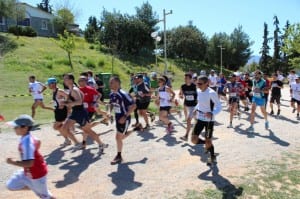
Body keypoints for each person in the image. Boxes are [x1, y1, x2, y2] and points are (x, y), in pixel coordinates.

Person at [6, 114, 55, 199]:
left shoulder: (27, 143)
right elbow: (38, 141)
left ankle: (40, 190)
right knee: (11, 185)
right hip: (28, 172)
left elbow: (29, 163)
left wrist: (12, 162)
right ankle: (35, 187)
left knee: (45, 197)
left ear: (25, 128)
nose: (14, 129)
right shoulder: (26, 136)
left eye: (16, 127)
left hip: (37, 173)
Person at [60, 73, 108, 154]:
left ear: (71, 80)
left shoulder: (74, 89)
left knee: (87, 130)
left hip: (80, 112)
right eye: (64, 79)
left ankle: (100, 144)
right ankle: (78, 143)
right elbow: (79, 97)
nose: (64, 80)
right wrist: (65, 102)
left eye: (66, 79)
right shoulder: (73, 89)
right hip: (76, 112)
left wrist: (68, 104)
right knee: (64, 128)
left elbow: (79, 102)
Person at [191, 76, 222, 165]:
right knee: (193, 140)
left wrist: (212, 113)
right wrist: (196, 109)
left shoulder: (211, 93)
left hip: (209, 120)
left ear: (206, 83)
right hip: (200, 118)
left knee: (208, 140)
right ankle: (207, 144)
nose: (198, 85)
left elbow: (219, 106)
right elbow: (200, 102)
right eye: (197, 83)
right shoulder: (199, 91)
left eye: (200, 83)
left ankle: (212, 156)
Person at [109, 76, 136, 164]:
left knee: (118, 138)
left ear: (117, 83)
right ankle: (135, 129)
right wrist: (109, 112)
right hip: (117, 118)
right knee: (120, 137)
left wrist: (125, 116)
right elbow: (111, 104)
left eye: (111, 82)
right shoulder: (112, 94)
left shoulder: (123, 94)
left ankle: (119, 156)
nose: (110, 84)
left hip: (124, 119)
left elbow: (133, 106)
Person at [47, 77, 71, 146]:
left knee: (55, 126)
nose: (48, 86)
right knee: (59, 126)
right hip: (57, 110)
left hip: (61, 111)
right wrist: (53, 101)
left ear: (53, 84)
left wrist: (64, 104)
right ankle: (67, 139)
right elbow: (59, 98)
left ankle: (68, 137)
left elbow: (68, 97)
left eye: (49, 84)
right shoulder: (54, 91)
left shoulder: (59, 91)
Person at [178, 73, 198, 141]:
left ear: (190, 79)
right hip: (188, 105)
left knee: (189, 120)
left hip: (195, 106)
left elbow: (200, 95)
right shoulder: (183, 86)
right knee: (196, 119)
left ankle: (186, 136)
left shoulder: (195, 86)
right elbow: (180, 94)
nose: (185, 79)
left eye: (186, 78)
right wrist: (180, 95)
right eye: (184, 78)